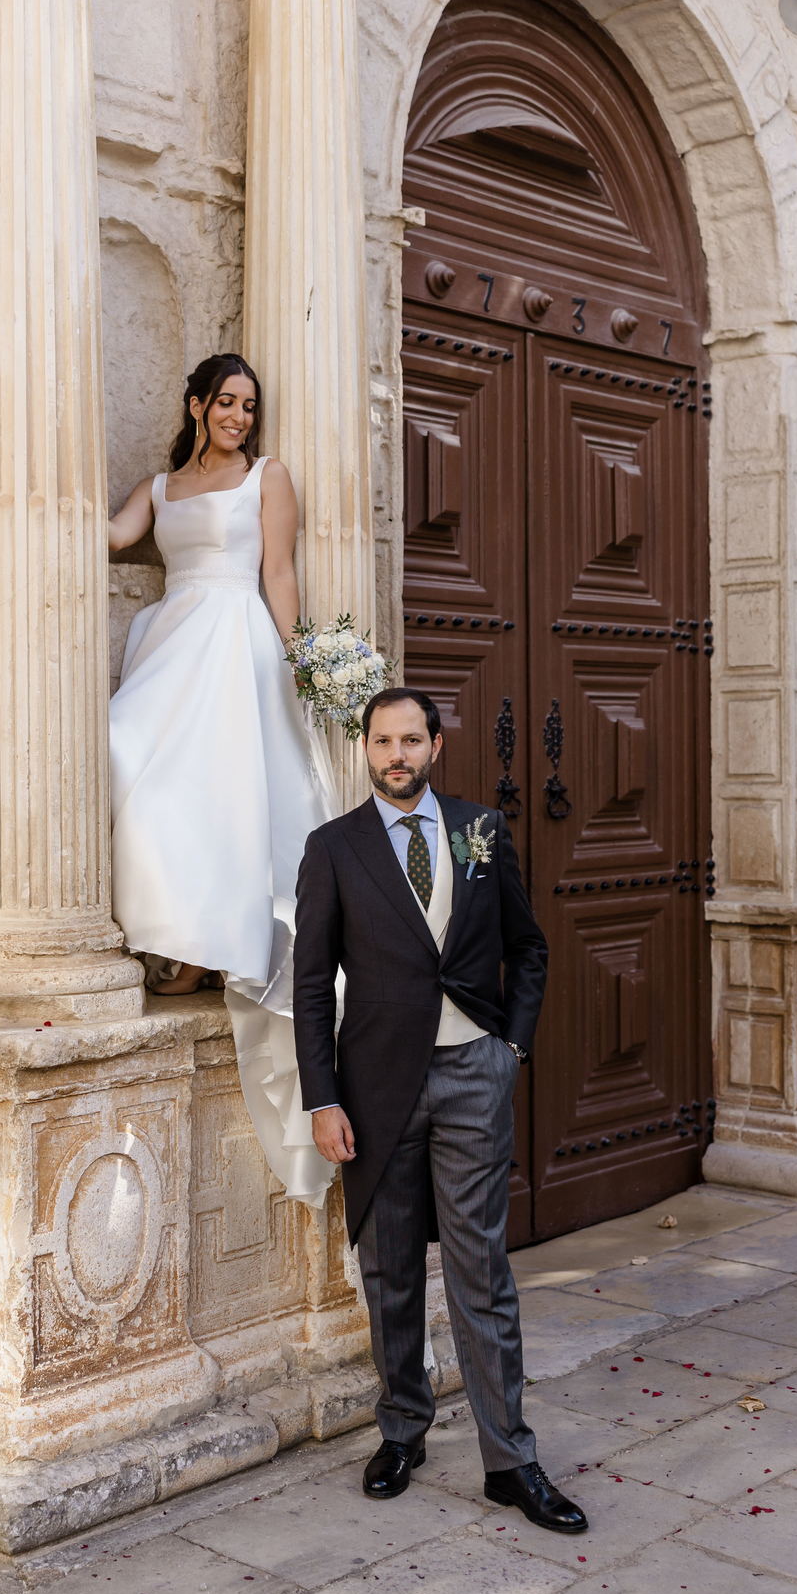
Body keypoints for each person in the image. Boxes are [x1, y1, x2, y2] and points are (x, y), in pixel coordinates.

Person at [293, 687, 587, 1531]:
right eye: (383, 741)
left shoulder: (480, 830)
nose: (398, 755)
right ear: (365, 749)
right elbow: (311, 986)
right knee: (389, 1271)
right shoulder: (333, 848)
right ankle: (402, 1431)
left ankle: (511, 1461)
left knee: (480, 1272)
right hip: (375, 1089)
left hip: (472, 1076)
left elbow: (527, 947)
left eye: (411, 740)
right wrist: (323, 1098)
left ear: (436, 746)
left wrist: (509, 1051)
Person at [108, 353, 337, 1206]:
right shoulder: (160, 487)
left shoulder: (267, 478)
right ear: (196, 405)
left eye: (249, 405)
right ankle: (187, 940)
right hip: (173, 644)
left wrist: (301, 660)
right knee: (126, 759)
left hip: (238, 646)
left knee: (232, 801)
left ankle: (211, 953)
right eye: (227, 403)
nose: (239, 416)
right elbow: (115, 537)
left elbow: (278, 572)